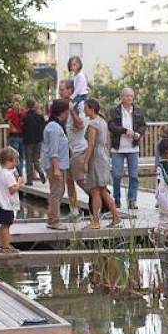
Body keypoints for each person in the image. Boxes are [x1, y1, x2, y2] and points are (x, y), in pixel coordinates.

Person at [80, 99, 123, 230]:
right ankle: (115, 217)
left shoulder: (93, 124)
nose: (84, 110)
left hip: (96, 158)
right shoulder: (102, 121)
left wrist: (85, 162)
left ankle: (96, 221)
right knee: (103, 190)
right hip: (103, 155)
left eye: (85, 108)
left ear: (92, 108)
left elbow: (91, 144)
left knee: (95, 190)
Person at [108, 87, 146, 209]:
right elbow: (111, 126)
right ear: (121, 97)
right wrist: (125, 131)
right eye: (126, 96)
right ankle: (117, 199)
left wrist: (138, 134)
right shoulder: (114, 111)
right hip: (117, 148)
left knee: (134, 176)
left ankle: (132, 200)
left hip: (133, 148)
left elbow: (143, 126)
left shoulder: (138, 110)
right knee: (117, 175)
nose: (129, 98)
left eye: (131, 96)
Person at [41, 99, 70, 231]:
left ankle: (51, 217)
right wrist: (56, 169)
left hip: (60, 164)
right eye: (67, 111)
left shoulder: (57, 125)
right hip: (55, 165)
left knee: (59, 191)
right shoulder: (53, 127)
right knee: (56, 192)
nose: (68, 113)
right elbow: (53, 150)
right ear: (62, 112)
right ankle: (54, 221)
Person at [58, 80, 85, 221]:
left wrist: (71, 110)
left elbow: (80, 125)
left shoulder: (78, 105)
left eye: (62, 89)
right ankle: (74, 210)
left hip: (79, 149)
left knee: (81, 180)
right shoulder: (61, 107)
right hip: (66, 149)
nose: (59, 92)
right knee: (69, 180)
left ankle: (103, 202)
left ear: (70, 90)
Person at [0, 147, 22, 253]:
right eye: (16, 160)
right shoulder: (8, 174)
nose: (17, 163)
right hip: (6, 205)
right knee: (6, 225)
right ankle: (5, 246)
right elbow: (12, 190)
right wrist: (19, 183)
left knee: (4, 225)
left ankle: (3, 245)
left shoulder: (3, 172)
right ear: (10, 160)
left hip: (1, 204)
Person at [22, 99, 47, 183]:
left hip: (28, 141)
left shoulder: (25, 117)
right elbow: (44, 127)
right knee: (36, 159)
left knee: (28, 160)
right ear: (34, 106)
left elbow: (23, 128)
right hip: (38, 140)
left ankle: (29, 180)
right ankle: (40, 171)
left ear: (27, 106)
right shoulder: (40, 117)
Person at [4, 95, 26, 176]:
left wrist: (12, 127)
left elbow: (7, 120)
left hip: (14, 136)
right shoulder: (23, 112)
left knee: (14, 156)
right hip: (22, 136)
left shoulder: (11, 111)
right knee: (21, 157)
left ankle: (19, 174)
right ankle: (20, 173)